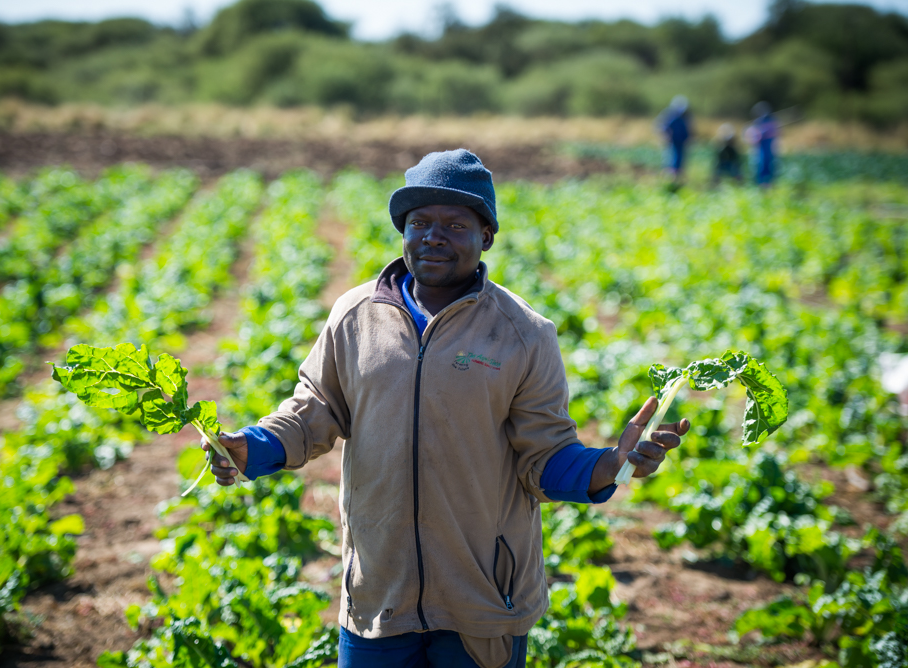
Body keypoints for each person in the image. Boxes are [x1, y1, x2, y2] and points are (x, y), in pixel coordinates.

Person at [202, 149, 690, 668]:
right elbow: (315, 409)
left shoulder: (523, 334)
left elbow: (542, 456)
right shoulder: (356, 316)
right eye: (420, 223)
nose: (433, 236)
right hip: (377, 594)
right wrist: (251, 447)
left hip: (481, 599)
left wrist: (609, 463)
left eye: (455, 225)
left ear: (486, 237)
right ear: (403, 232)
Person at [656, 95, 692, 188]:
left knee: (680, 161)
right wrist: (666, 136)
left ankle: (678, 181)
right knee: (671, 160)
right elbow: (662, 127)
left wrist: (688, 138)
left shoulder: (685, 117)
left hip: (681, 142)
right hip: (673, 142)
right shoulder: (670, 116)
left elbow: (688, 130)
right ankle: (669, 181)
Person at [745, 101, 779, 186]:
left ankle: (769, 183)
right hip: (759, 149)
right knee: (759, 165)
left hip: (769, 148)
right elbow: (752, 137)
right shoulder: (757, 123)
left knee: (770, 165)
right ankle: (760, 183)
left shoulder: (771, 121)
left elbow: (775, 133)